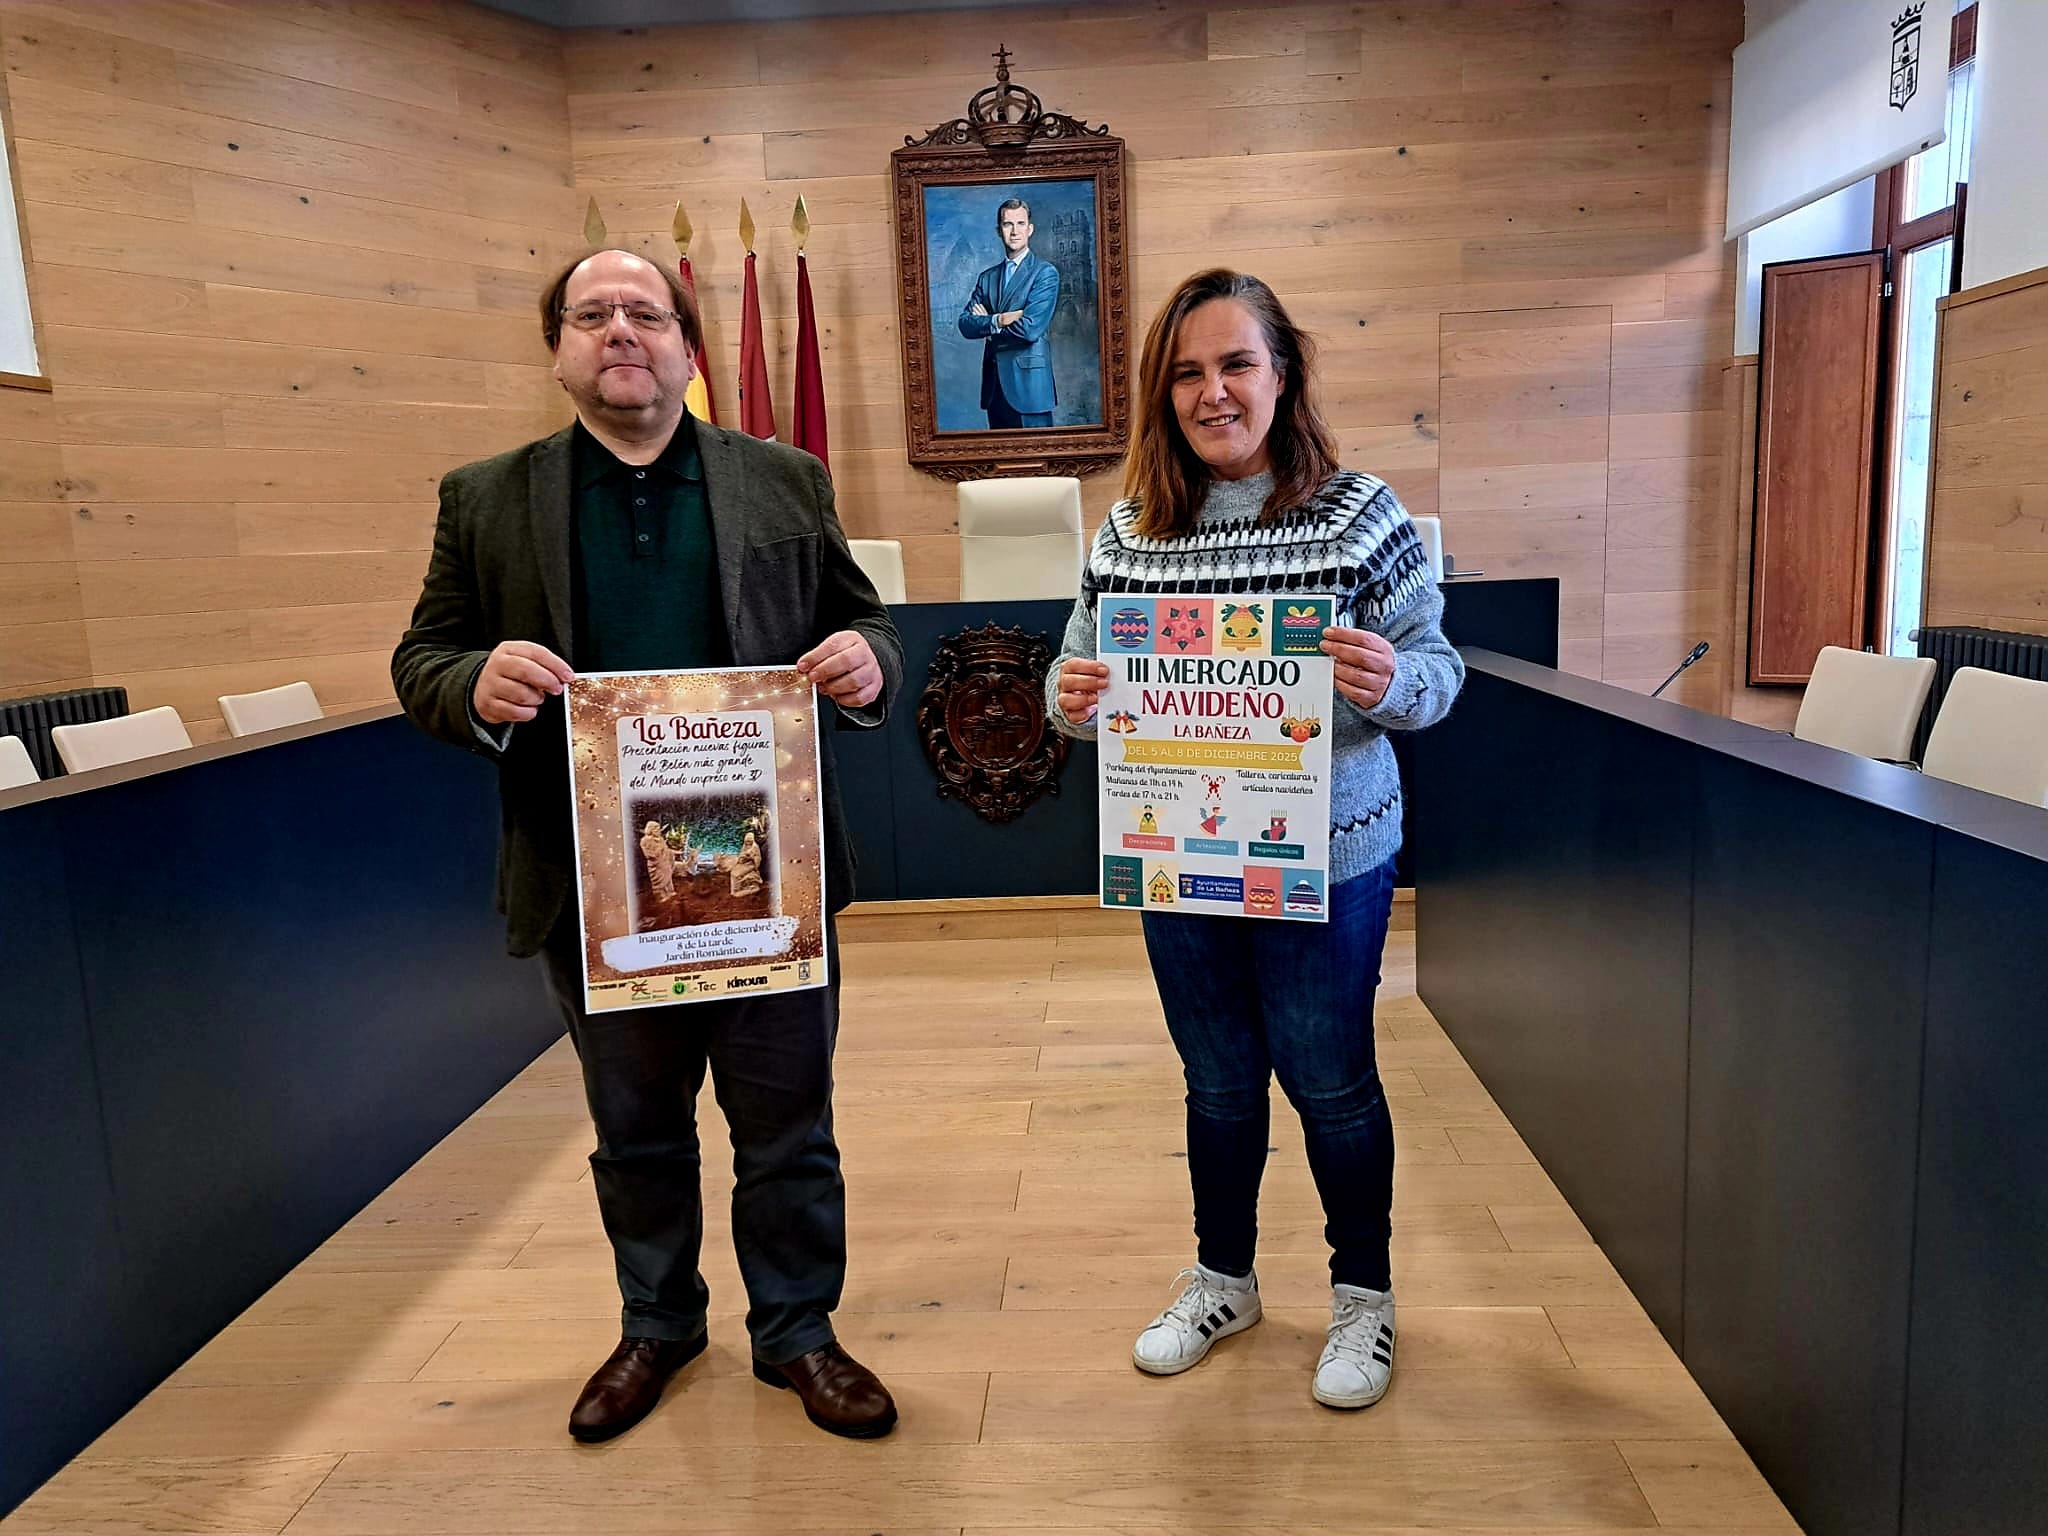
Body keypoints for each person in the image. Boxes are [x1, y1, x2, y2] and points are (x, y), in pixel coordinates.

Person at [391, 249, 904, 1444]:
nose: (619, 330)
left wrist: (868, 660)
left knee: (788, 1129)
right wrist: (475, 677)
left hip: (764, 881)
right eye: (591, 315)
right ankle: (657, 1324)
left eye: (645, 313)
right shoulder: (483, 497)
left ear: (685, 347)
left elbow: (861, 618)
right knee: (635, 1132)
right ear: (557, 349)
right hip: (595, 893)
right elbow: (422, 659)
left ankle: (798, 1334)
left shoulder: (783, 479)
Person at [1045, 268, 1463, 1410]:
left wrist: (1390, 681)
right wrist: (1070, 699)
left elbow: (1438, 672)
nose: (1211, 391)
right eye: (1185, 372)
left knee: (1329, 1082)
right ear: (1158, 392)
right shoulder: (1126, 530)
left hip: (1326, 856)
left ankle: (1362, 1297)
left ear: (1282, 375)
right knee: (1218, 1083)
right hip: (1179, 858)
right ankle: (1223, 1278)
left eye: (1234, 364)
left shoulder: (1357, 513)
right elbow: (1067, 677)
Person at [956, 197, 1060, 428]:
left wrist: (988, 326)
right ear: (998, 230)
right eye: (1007, 224)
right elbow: (965, 324)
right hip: (995, 389)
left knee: (1039, 460)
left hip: (1030, 389)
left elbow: (1030, 329)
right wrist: (999, 319)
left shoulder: (1045, 273)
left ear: (1030, 229)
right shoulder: (987, 278)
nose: (1014, 231)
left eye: (1020, 223)